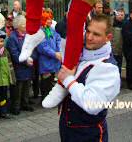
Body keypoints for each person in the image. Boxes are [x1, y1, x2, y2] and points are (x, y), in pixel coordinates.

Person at [58, 14, 120, 142]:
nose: (89, 37)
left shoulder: (108, 68)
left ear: (108, 38)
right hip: (68, 128)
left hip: (88, 133)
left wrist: (68, 80)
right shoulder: (83, 53)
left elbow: (92, 104)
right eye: (88, 31)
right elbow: (63, 29)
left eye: (96, 34)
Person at [7, 15, 35, 115]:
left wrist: (31, 57)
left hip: (28, 66)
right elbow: (14, 54)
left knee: (27, 86)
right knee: (17, 88)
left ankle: (25, 103)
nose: (26, 26)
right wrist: (25, 60)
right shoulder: (12, 38)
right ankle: (16, 106)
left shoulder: (27, 35)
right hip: (18, 67)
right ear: (18, 26)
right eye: (24, 24)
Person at [37, 17, 62, 99]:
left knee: (51, 79)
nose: (50, 22)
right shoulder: (40, 32)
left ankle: (50, 98)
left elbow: (58, 39)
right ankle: (44, 98)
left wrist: (58, 50)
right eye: (47, 21)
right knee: (45, 81)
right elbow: (43, 47)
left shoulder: (51, 30)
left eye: (50, 21)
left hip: (53, 60)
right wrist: (54, 53)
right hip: (45, 61)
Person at [112, 8, 126, 76]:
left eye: (122, 15)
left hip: (121, 50)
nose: (120, 16)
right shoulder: (111, 24)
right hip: (112, 50)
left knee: (119, 67)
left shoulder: (125, 25)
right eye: (118, 14)